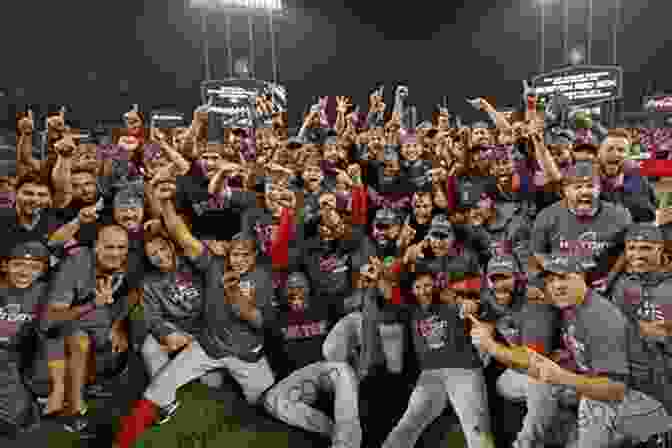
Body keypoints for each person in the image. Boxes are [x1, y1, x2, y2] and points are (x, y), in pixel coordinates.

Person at [527, 253, 671, 448]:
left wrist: (561, 376)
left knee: (591, 401)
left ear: (583, 277)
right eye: (551, 280)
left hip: (651, 407)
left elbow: (615, 390)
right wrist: (564, 362)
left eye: (564, 277)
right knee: (543, 387)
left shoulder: (600, 317)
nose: (557, 285)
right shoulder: (572, 307)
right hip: (622, 395)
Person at [381, 272, 494, 448]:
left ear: (435, 286)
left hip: (463, 369)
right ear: (412, 290)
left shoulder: (449, 303)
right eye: (418, 287)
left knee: (476, 426)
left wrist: (474, 305)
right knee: (409, 422)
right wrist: (380, 275)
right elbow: (389, 292)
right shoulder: (412, 310)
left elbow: (478, 302)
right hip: (431, 375)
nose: (423, 291)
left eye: (427, 285)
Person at [263, 271, 362, 448]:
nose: (295, 291)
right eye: (290, 287)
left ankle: (346, 444)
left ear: (308, 288)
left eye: (300, 286)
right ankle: (335, 431)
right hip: (301, 377)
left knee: (341, 371)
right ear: (283, 292)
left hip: (328, 369)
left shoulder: (324, 306)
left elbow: (354, 302)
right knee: (271, 400)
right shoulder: (276, 317)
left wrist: (367, 283)